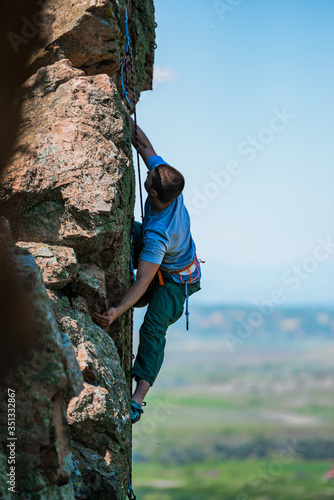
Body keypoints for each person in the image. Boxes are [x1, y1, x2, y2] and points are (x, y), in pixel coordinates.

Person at [93, 117, 201, 423]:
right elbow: (145, 146)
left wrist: (116, 312)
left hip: (175, 283)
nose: (149, 169)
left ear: (153, 193)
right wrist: (125, 118)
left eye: (150, 174)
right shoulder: (167, 182)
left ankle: (137, 400)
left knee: (153, 329)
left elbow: (143, 281)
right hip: (165, 266)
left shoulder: (158, 235)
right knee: (128, 228)